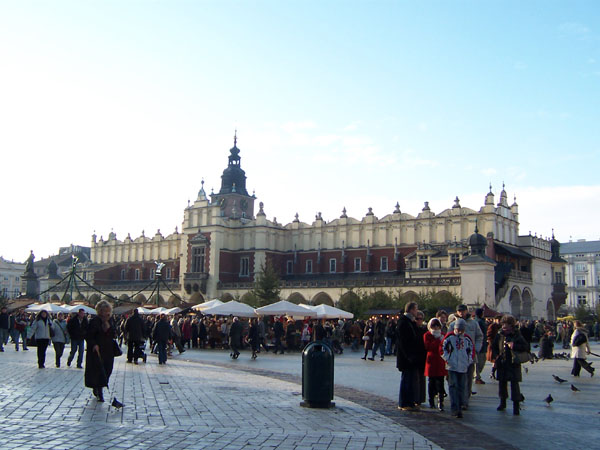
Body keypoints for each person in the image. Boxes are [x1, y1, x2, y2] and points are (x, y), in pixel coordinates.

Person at [491, 315, 528, 415]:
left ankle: (516, 406)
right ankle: (502, 403)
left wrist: (514, 345)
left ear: (511, 325)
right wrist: (496, 356)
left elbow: (525, 347)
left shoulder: (517, 335)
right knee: (502, 384)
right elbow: (494, 347)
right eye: (503, 324)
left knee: (514, 385)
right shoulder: (500, 335)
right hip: (502, 362)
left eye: (506, 325)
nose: (504, 326)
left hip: (513, 363)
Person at [448, 304, 483, 409]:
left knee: (468, 380)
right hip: (456, 357)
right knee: (457, 380)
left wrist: (476, 349)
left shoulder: (474, 323)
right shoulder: (452, 324)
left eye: (463, 311)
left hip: (469, 357)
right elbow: (448, 339)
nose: (461, 313)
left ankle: (464, 401)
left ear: (466, 311)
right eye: (459, 311)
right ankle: (457, 400)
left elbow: (479, 337)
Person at [85, 300, 117, 402]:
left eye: (108, 311)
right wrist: (94, 344)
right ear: (99, 311)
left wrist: (109, 327)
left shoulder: (111, 320)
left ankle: (100, 386)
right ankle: (99, 391)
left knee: (108, 369)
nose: (106, 313)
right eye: (103, 311)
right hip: (97, 350)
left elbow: (114, 333)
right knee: (98, 370)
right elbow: (89, 335)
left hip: (108, 350)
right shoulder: (94, 321)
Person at [442, 318, 474, 418]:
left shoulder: (467, 339)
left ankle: (460, 406)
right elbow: (442, 349)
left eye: (462, 330)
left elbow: (471, 351)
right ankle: (454, 408)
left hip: (463, 366)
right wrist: (447, 359)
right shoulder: (449, 337)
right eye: (458, 329)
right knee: (453, 386)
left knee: (462, 387)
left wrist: (468, 361)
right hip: (452, 366)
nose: (460, 332)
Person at [396, 302, 422, 411]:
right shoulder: (404, 322)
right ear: (411, 310)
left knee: (411, 381)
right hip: (407, 358)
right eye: (416, 309)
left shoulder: (410, 322)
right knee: (406, 380)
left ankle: (410, 402)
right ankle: (404, 403)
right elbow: (403, 342)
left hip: (412, 357)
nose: (417, 312)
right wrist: (409, 356)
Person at [424, 318, 447, 411]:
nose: (436, 327)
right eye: (434, 325)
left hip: (441, 361)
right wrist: (438, 341)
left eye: (437, 325)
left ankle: (441, 402)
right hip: (431, 361)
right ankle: (431, 401)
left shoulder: (443, 335)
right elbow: (428, 347)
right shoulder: (427, 335)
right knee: (431, 382)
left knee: (441, 383)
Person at [474, 308, 488, 385]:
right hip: (480, 344)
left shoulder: (480, 321)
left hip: (483, 343)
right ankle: (477, 376)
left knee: (482, 360)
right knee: (479, 361)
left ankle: (477, 375)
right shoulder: (478, 322)